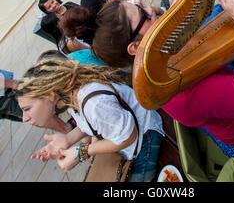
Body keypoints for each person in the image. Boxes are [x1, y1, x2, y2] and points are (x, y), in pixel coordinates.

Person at [92, 0, 234, 182]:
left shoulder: (156, 69)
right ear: (135, 47)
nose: (148, 9)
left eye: (139, 4)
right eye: (142, 14)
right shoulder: (187, 94)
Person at [16, 58, 164, 182]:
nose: (24, 118)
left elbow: (128, 137)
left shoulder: (93, 104)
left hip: (144, 137)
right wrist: (68, 139)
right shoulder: (69, 97)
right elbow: (92, 123)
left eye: (27, 109)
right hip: (129, 138)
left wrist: (81, 153)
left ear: (50, 95)